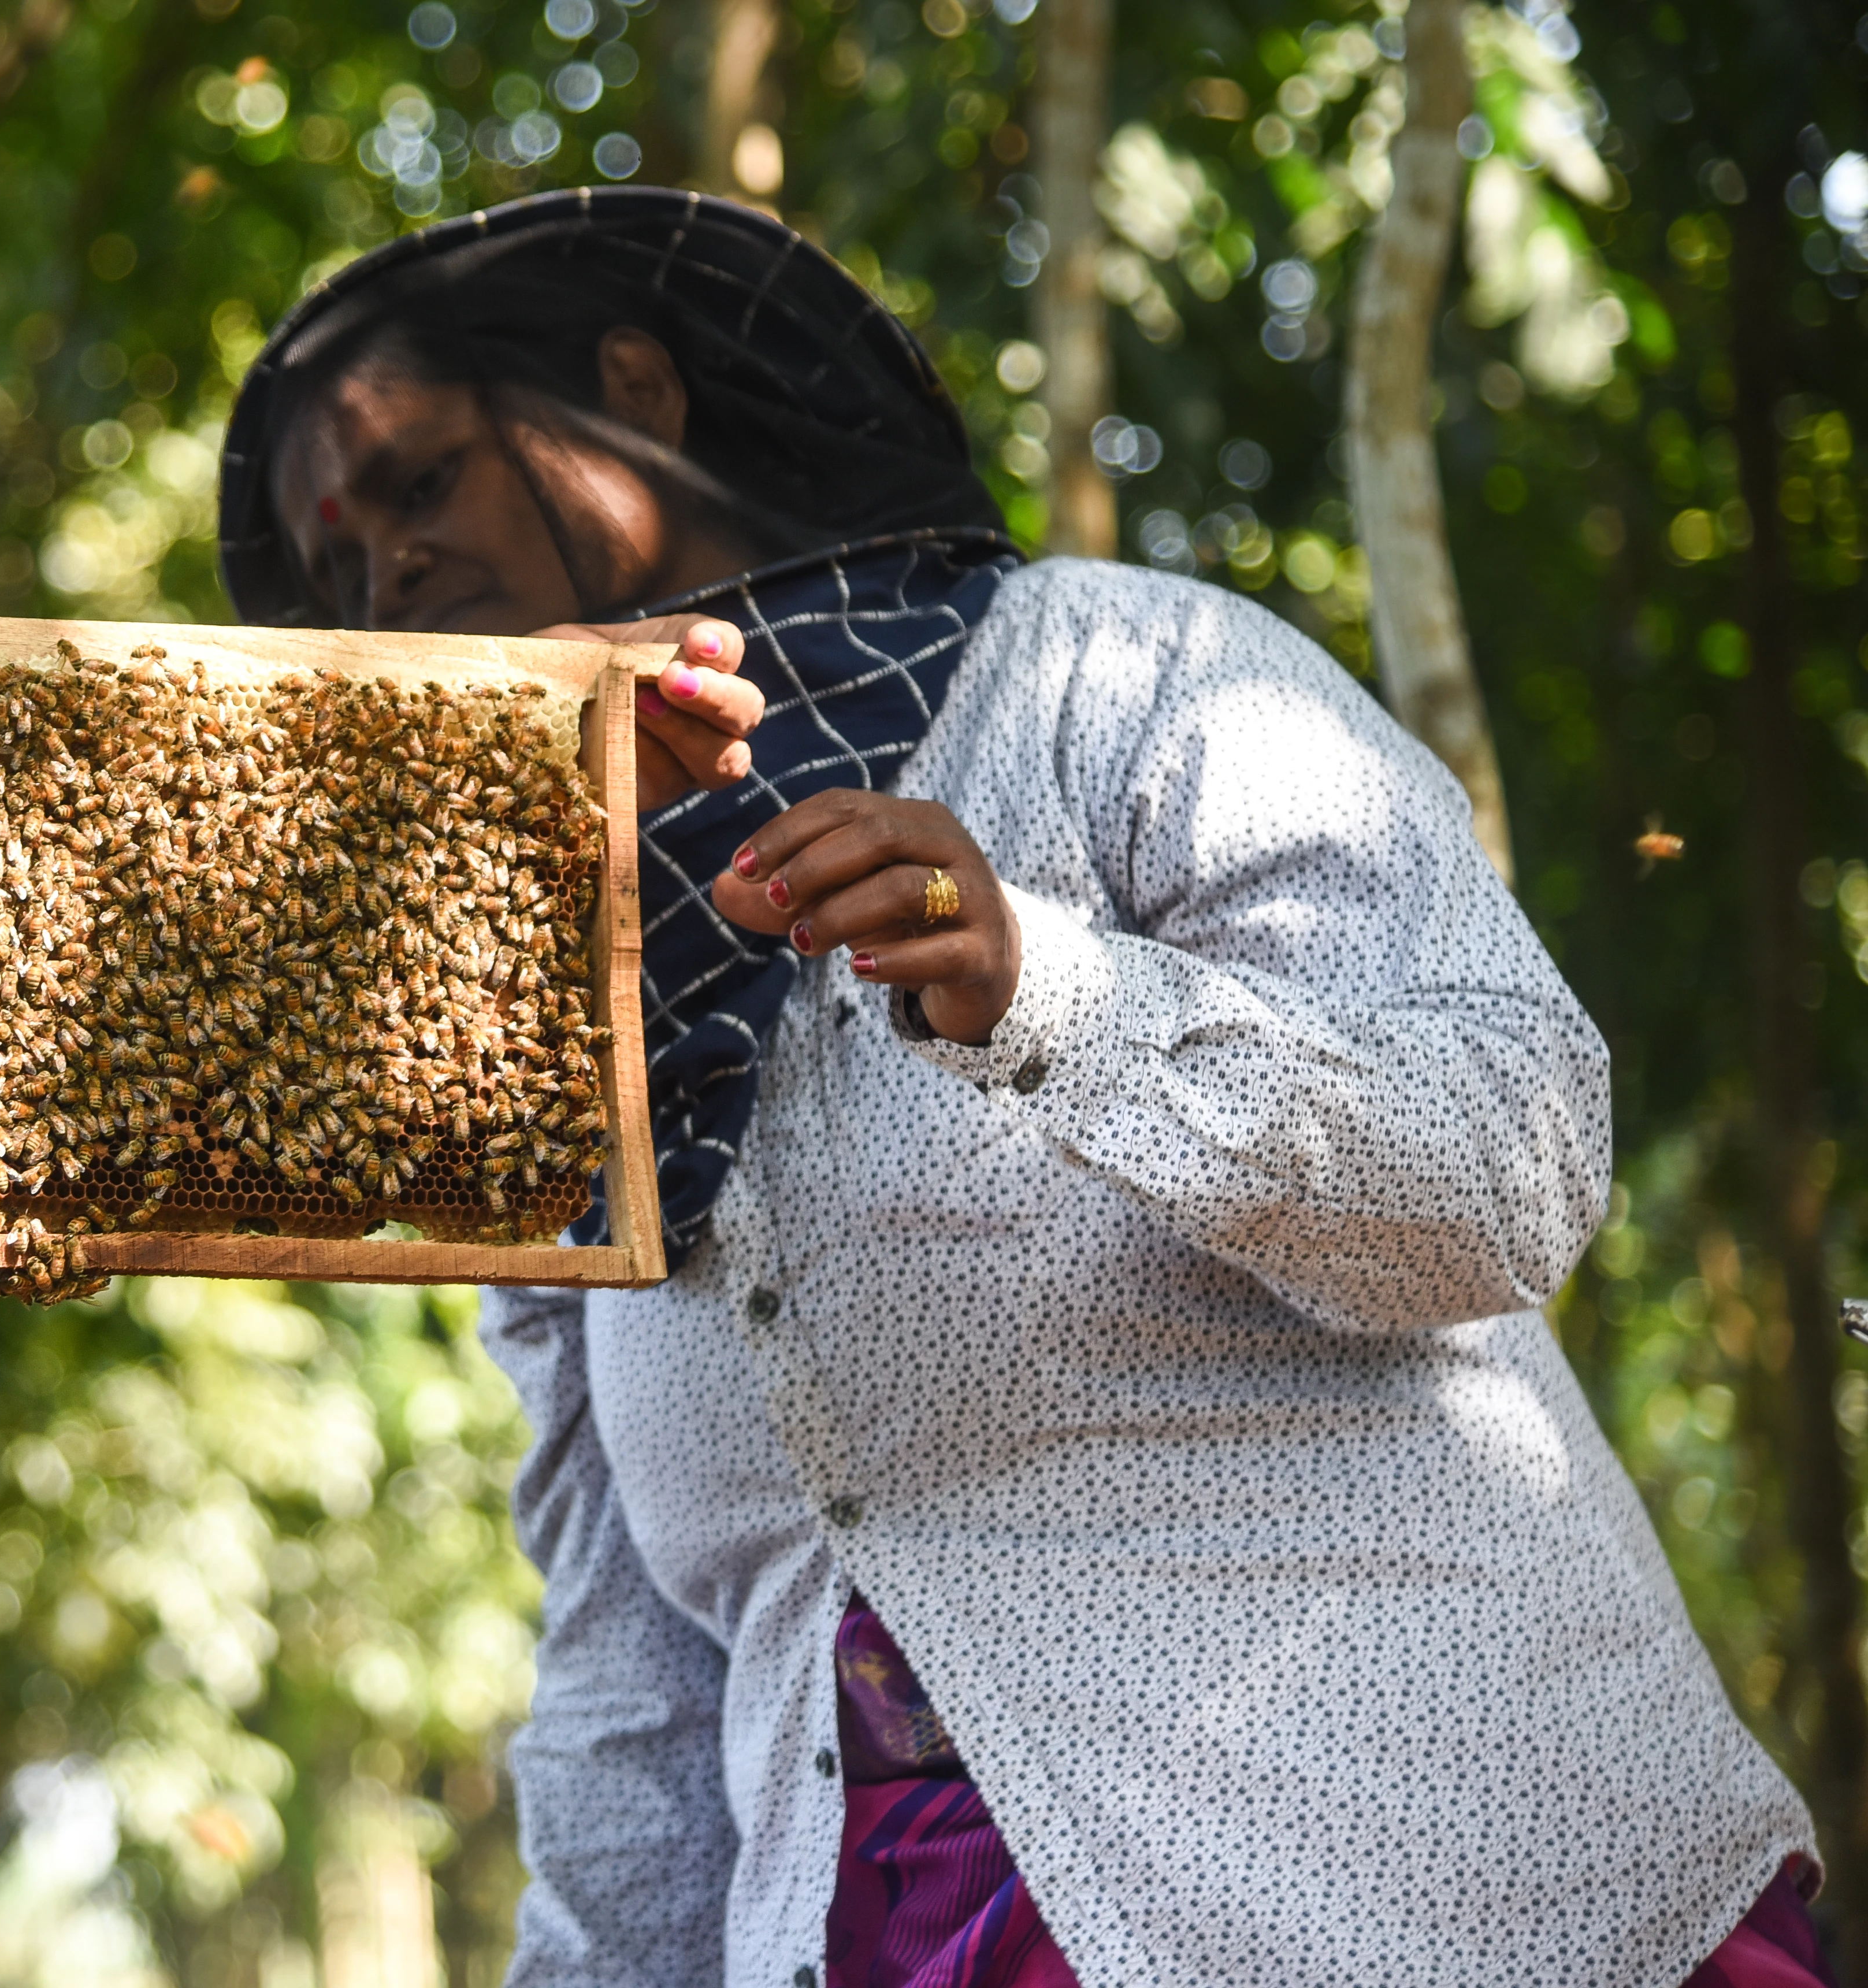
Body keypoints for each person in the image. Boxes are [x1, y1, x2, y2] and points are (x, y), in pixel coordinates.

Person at [213, 187, 1828, 1988]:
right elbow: (633, 1689)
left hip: (1452, 1895)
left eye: (419, 484)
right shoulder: (532, 1014)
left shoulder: (1119, 673)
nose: (387, 581)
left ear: (635, 394)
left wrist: (1043, 988)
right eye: (339, 572)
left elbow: (1508, 1171)